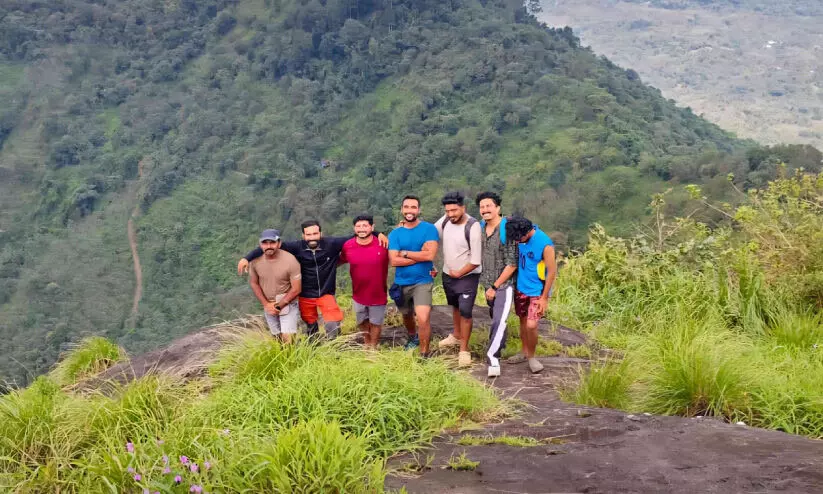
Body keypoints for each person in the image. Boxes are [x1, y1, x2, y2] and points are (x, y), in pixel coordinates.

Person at [238, 220, 387, 339]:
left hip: (326, 292)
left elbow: (357, 234)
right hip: (305, 294)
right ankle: (313, 346)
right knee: (310, 324)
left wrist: (377, 233)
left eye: (315, 233)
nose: (312, 237)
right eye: (308, 234)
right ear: (303, 236)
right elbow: (270, 245)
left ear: (320, 233)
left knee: (332, 323)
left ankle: (333, 347)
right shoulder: (296, 247)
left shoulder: (331, 244)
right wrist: (247, 258)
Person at [433, 192, 483, 368]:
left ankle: (464, 349)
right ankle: (456, 335)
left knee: (466, 311)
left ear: (463, 208)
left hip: (467, 276)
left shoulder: (473, 227)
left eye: (454, 210)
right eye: (447, 211)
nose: (451, 214)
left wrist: (459, 273)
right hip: (448, 274)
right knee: (454, 306)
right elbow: (430, 233)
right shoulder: (446, 221)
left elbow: (476, 260)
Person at [505, 215, 557, 374]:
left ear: (527, 232)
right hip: (521, 288)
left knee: (531, 325)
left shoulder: (545, 244)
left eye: (518, 239)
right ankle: (524, 351)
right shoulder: (519, 235)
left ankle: (532, 357)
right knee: (522, 321)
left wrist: (545, 298)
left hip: (537, 291)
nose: (516, 242)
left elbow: (552, 272)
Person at [388, 195, 439, 357]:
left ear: (419, 210)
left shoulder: (429, 229)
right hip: (401, 282)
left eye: (413, 207)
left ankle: (424, 354)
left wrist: (404, 253)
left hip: (423, 281)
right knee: (406, 315)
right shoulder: (395, 234)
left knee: (423, 318)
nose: (409, 210)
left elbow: (430, 256)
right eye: (406, 207)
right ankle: (412, 337)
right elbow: (394, 261)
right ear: (402, 209)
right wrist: (419, 256)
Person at [475, 191, 518, 377]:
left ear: (498, 208)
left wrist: (495, 286)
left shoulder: (506, 229)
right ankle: (501, 344)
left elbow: (512, 263)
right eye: (482, 207)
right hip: (487, 282)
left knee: (499, 320)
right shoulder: (480, 228)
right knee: (496, 316)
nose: (485, 209)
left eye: (489, 206)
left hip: (504, 284)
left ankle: (493, 357)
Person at [339, 214, 390, 349]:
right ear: (354, 228)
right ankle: (367, 342)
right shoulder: (348, 245)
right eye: (358, 226)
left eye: (365, 226)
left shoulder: (383, 244)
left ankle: (373, 347)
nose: (361, 229)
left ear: (372, 227)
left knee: (376, 322)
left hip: (378, 293)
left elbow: (396, 255)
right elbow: (340, 260)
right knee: (361, 321)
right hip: (358, 293)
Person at [248, 229, 302, 343]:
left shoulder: (290, 260)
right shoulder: (255, 262)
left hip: (288, 302)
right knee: (277, 338)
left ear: (279, 243)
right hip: (268, 303)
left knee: (288, 338)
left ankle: (293, 354)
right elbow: (254, 283)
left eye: (272, 242)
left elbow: (296, 289)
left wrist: (279, 306)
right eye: (265, 243)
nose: (269, 246)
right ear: (260, 244)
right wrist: (266, 304)